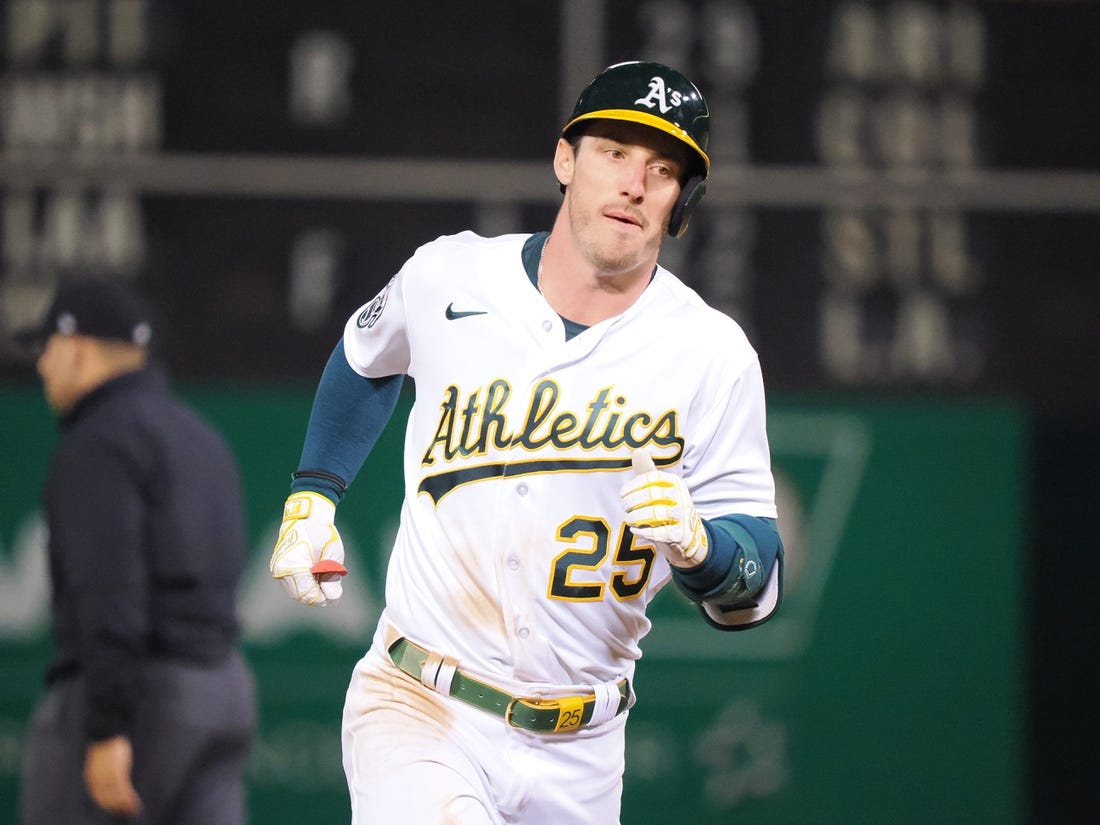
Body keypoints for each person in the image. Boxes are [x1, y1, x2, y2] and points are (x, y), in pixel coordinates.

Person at [270, 60, 783, 825]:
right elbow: (362, 356)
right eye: (613, 152)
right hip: (421, 704)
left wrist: (701, 546)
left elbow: (758, 583)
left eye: (663, 169)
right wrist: (314, 492)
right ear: (565, 159)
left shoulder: (712, 354)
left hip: (585, 747)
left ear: (681, 203)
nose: (635, 184)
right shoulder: (451, 276)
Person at [15, 277, 256, 825]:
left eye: (46, 348)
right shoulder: (198, 434)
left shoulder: (98, 441)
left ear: (75, 348)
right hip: (222, 695)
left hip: (143, 703)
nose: (41, 365)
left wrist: (107, 725)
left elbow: (110, 591)